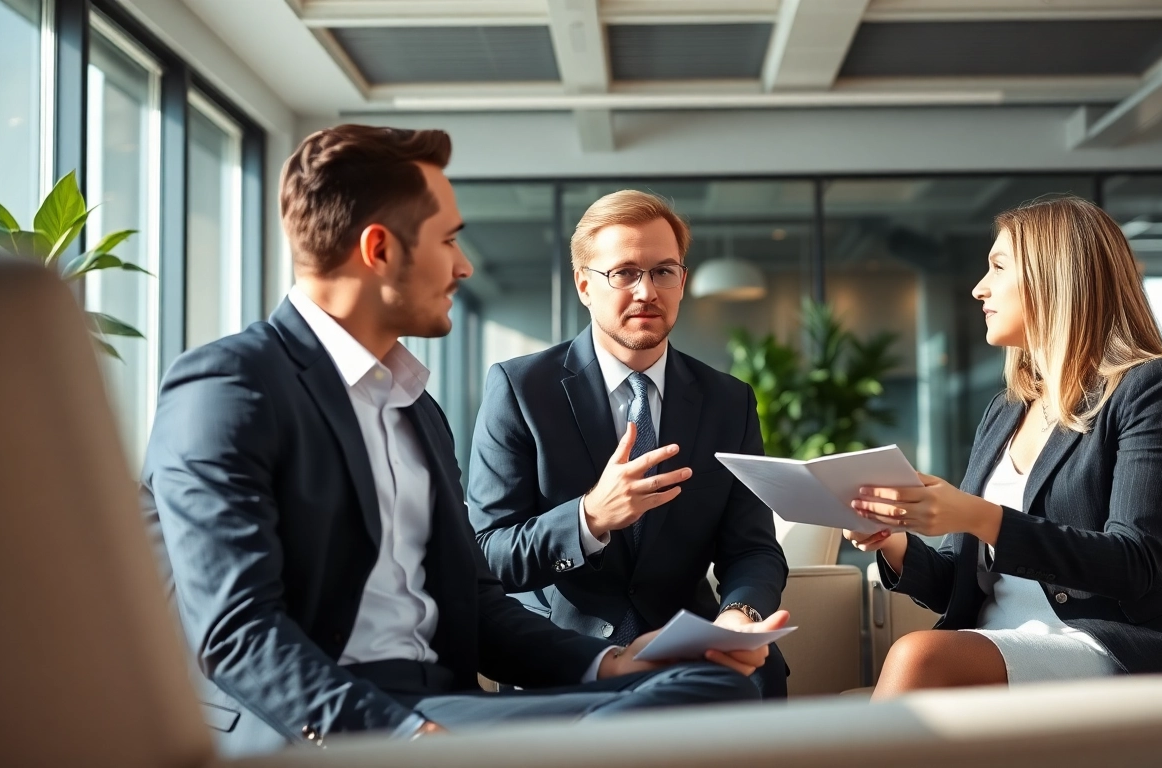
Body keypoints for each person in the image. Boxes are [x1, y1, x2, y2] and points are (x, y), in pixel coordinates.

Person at [141, 126, 761, 757]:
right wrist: (407, 739)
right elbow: (237, 632)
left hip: (445, 702)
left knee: (714, 688)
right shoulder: (229, 385)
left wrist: (607, 667)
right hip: (317, 719)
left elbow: (476, 602)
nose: (463, 265)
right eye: (447, 240)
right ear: (379, 249)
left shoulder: (414, 407)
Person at [844, 196, 1162, 697]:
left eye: (998, 268)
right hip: (1001, 641)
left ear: (1054, 279)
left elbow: (1135, 564)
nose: (980, 289)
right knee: (923, 659)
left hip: (1107, 644)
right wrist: (890, 541)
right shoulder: (1006, 410)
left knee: (918, 656)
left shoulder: (1152, 387)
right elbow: (958, 588)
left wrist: (980, 515)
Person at [466, 190, 791, 698]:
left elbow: (752, 548)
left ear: (683, 281)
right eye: (624, 273)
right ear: (584, 285)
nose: (647, 292)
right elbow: (489, 554)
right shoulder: (520, 389)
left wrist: (738, 613)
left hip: (693, 646)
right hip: (566, 650)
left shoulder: (729, 401)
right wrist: (588, 518)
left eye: (664, 271)